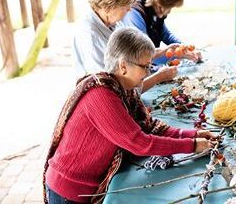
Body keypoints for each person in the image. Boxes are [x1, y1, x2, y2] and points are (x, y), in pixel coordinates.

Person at [44, 27, 219, 204]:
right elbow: (139, 143)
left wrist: (194, 134)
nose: (149, 72)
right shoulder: (102, 95)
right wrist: (192, 145)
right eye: (145, 67)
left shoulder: (123, 91)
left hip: (84, 187)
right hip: (69, 191)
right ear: (123, 66)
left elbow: (150, 127)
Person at [72, 0, 178, 91]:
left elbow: (129, 57)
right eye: (125, 6)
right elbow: (115, 88)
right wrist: (158, 77)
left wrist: (161, 52)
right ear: (108, 7)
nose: (129, 10)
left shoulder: (111, 22)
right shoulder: (91, 37)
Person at [122, 0, 201, 64]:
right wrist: (179, 55)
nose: (164, 12)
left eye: (170, 8)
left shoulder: (154, 10)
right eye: (161, 7)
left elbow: (166, 35)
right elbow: (143, 55)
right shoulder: (134, 14)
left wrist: (186, 49)